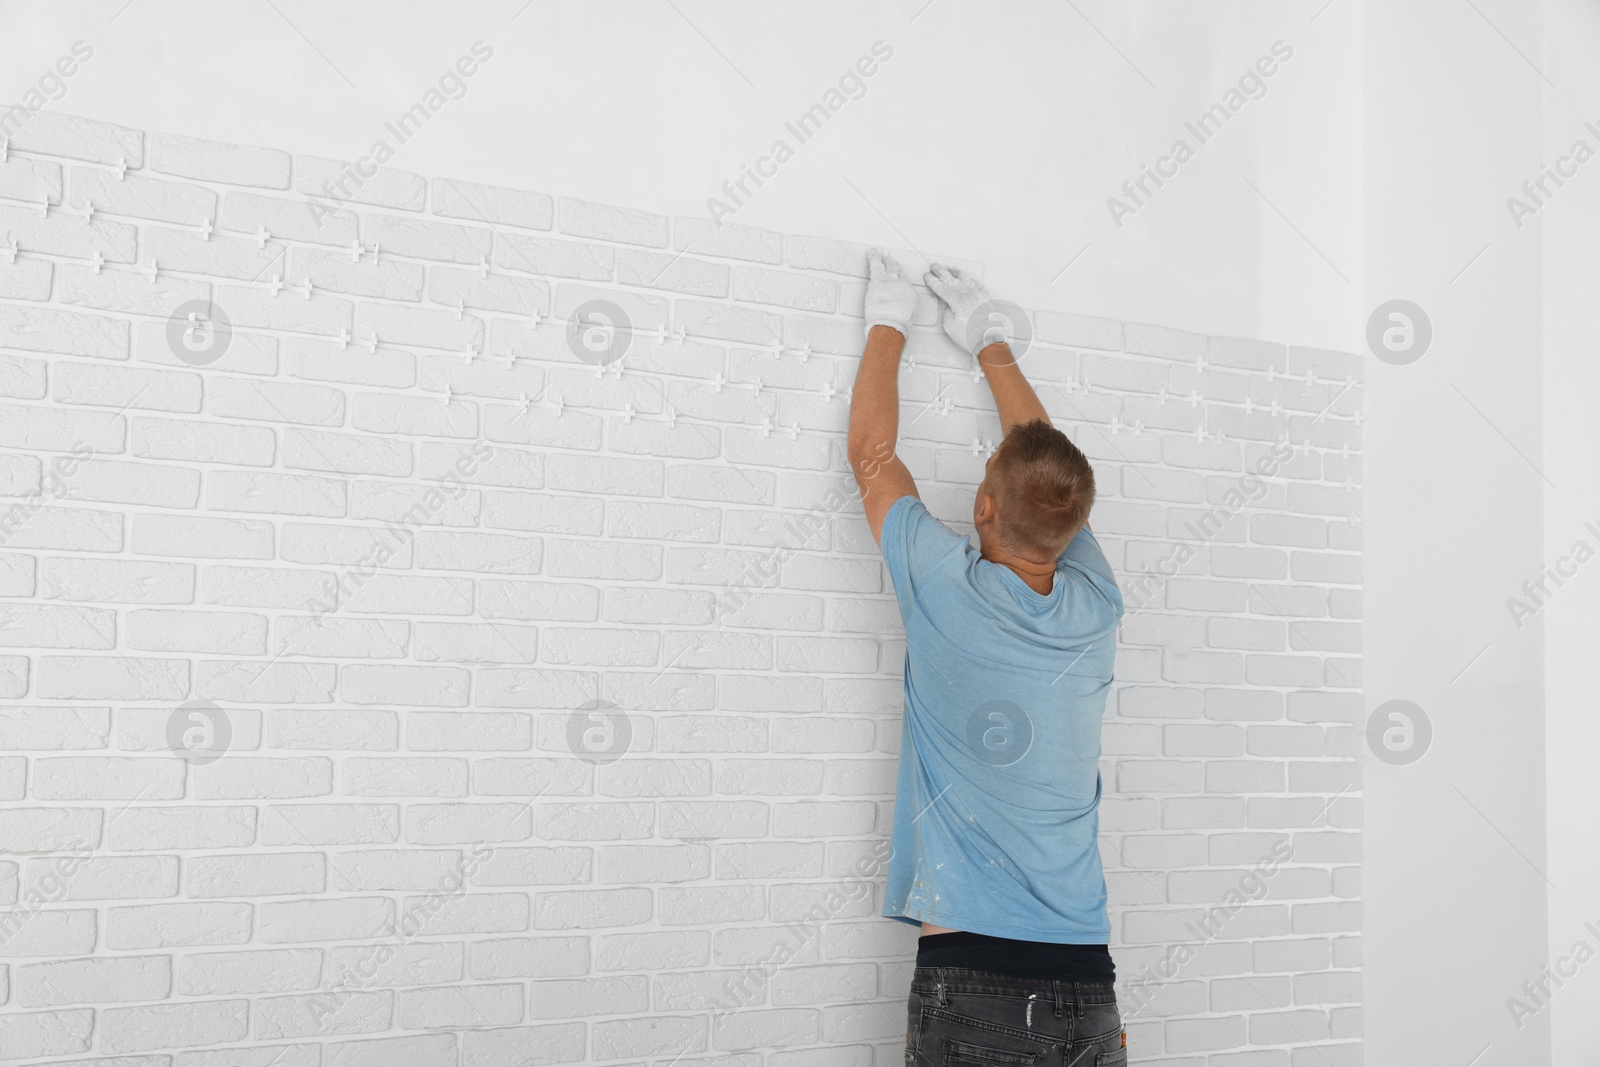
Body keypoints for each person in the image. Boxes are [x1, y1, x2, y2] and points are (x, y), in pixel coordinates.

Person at [847, 251, 1128, 1065]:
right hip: (1088, 980)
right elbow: (1051, 484)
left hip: (973, 977)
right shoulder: (1096, 604)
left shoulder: (943, 589)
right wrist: (989, 343)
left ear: (981, 504)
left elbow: (871, 456)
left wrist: (888, 320)